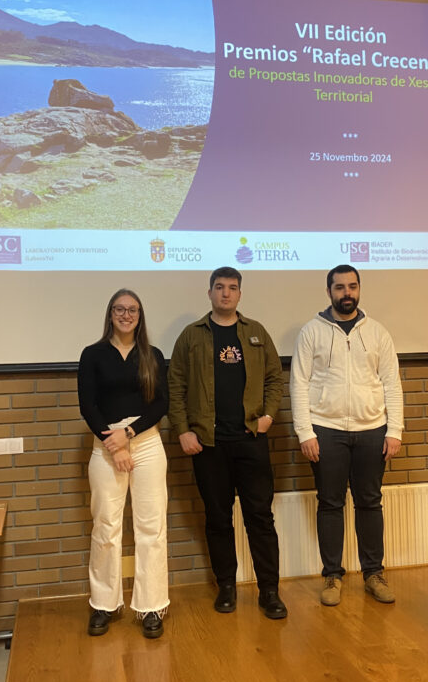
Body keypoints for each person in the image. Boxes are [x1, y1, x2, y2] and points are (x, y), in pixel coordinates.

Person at [168, 267, 287, 619]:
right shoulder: (191, 336)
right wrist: (182, 431)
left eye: (232, 288)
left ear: (239, 294)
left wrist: (268, 416)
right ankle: (227, 587)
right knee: (218, 519)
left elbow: (274, 378)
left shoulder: (256, 333)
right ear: (209, 294)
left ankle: (269, 591)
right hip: (208, 445)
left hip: (251, 441)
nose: (225, 294)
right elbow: (175, 387)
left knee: (260, 518)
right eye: (219, 288)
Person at [289, 264, 404, 606]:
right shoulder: (311, 332)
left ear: (359, 289)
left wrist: (394, 429)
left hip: (372, 430)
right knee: (330, 503)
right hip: (326, 430)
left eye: (352, 286)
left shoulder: (378, 333)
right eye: (339, 288)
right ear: (329, 292)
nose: (346, 293)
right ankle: (332, 576)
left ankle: (373, 573)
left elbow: (391, 384)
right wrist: (305, 432)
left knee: (370, 502)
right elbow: (299, 383)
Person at [77, 289, 169, 639]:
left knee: (151, 528)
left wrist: (128, 434)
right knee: (106, 527)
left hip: (145, 443)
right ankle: (103, 604)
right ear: (110, 313)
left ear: (140, 316)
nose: (126, 314)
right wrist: (113, 443)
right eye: (120, 309)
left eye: (132, 310)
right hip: (105, 446)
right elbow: (88, 406)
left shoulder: (153, 355)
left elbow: (162, 403)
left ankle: (152, 605)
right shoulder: (93, 354)